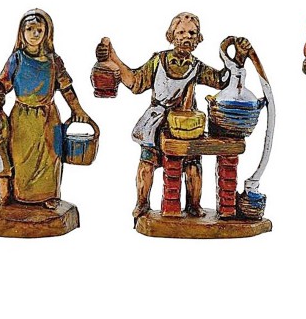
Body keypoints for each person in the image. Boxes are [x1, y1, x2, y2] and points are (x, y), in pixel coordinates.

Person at [97, 12, 251, 219]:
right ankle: (142, 203)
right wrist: (113, 58)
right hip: (156, 123)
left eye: (192, 33)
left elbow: (221, 80)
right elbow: (135, 82)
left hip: (186, 125)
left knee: (193, 166)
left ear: (198, 39)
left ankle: (193, 206)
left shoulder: (197, 67)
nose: (186, 37)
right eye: (181, 32)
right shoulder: (158, 61)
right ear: (171, 35)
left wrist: (239, 58)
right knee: (147, 163)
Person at [0, 9, 91, 208]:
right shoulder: (16, 59)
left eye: (39, 30)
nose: (34, 34)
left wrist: (78, 110)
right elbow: (2, 86)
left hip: (48, 117)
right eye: (30, 29)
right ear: (21, 32)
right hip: (22, 117)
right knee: (21, 158)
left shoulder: (54, 61)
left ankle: (49, 195)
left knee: (50, 157)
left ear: (46, 32)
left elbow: (66, 88)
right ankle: (19, 196)